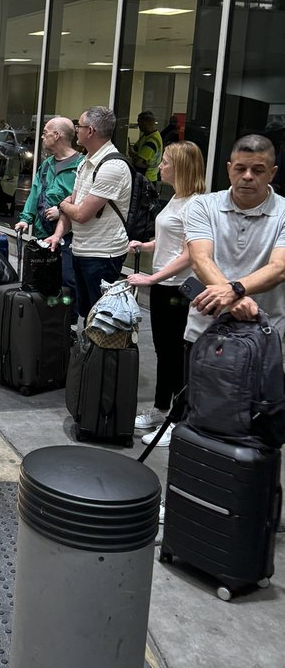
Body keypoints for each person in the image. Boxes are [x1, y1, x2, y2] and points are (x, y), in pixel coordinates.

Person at [127, 141, 206, 446]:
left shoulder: (196, 204)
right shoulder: (176, 198)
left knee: (178, 354)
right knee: (164, 351)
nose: (160, 166)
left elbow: (189, 254)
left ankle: (179, 419)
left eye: (166, 162)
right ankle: (162, 409)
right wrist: (145, 246)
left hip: (179, 288)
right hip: (164, 285)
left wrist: (152, 277)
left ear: (181, 167)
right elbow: (169, 240)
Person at [185, 133, 285, 353]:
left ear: (272, 173)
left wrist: (234, 290)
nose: (247, 176)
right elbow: (200, 259)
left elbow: (279, 268)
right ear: (229, 168)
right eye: (240, 169)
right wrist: (234, 300)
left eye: (258, 170)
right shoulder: (203, 206)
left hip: (263, 335)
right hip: (205, 331)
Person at [46, 106, 132, 318]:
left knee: (102, 317)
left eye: (79, 126)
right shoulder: (86, 161)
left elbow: (81, 214)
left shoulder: (112, 166)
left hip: (103, 254)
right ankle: (86, 351)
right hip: (82, 249)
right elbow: (74, 205)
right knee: (86, 312)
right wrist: (57, 235)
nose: (76, 130)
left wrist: (62, 205)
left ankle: (100, 352)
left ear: (90, 131)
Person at [14, 116, 82, 303]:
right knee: (43, 279)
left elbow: (84, 202)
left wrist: (61, 212)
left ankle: (69, 323)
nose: (42, 137)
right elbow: (35, 194)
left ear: (57, 135)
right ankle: (46, 320)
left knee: (67, 279)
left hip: (69, 236)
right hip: (44, 234)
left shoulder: (81, 166)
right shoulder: (46, 165)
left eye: (45, 133)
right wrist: (25, 219)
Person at [129, 111, 164, 185]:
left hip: (147, 178)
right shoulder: (146, 136)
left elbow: (138, 162)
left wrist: (133, 155)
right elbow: (135, 148)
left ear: (146, 122)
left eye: (139, 122)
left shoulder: (152, 141)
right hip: (144, 176)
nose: (138, 125)